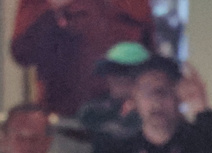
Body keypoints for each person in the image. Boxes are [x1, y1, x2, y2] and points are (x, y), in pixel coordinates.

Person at [10, 0, 154, 118]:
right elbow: (22, 53)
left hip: (127, 125)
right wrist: (52, 9)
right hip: (66, 126)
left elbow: (150, 58)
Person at [76, 40, 149, 139]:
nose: (111, 79)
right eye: (110, 72)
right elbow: (85, 116)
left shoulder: (150, 115)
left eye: (120, 73)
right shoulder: (103, 107)